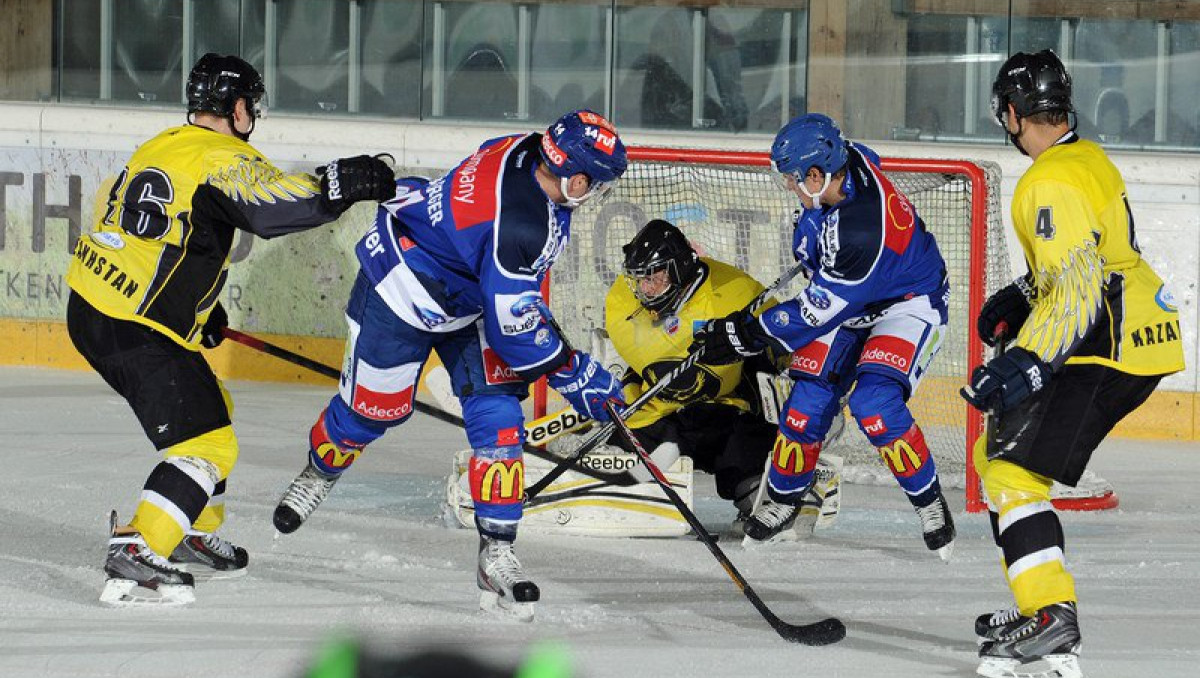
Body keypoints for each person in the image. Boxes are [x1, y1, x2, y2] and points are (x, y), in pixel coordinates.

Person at [64, 53, 395, 606]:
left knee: (214, 405)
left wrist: (196, 310)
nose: (253, 115)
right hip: (133, 325)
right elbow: (268, 208)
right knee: (210, 443)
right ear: (237, 107)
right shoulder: (221, 156)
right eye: (251, 105)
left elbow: (157, 231)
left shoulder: (165, 143)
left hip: (94, 305)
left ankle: (188, 530)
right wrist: (340, 187)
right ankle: (140, 544)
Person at [272, 109, 628, 621]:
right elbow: (514, 330)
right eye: (593, 181)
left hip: (473, 293)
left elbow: (508, 299)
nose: (595, 192)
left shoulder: (525, 147)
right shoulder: (521, 222)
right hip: (404, 287)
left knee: (500, 420)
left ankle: (496, 553)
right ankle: (318, 471)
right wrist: (576, 373)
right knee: (372, 414)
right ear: (572, 175)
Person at [962, 50, 1183, 678]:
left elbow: (1082, 284)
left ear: (1010, 112)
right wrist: (1028, 292)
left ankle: (1051, 618)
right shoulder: (1084, 157)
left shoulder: (1047, 181)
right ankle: (1041, 609)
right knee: (997, 460)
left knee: (1009, 472)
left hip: (1106, 340)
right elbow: (1094, 254)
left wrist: (1032, 359)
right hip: (1138, 330)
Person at [690, 113, 957, 559]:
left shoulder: (861, 229)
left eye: (795, 180)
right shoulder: (846, 163)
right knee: (804, 408)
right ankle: (783, 499)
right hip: (854, 296)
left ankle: (929, 501)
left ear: (816, 174)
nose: (792, 189)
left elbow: (814, 314)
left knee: (875, 405)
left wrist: (742, 334)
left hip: (906, 303)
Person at [603, 218, 838, 537]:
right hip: (660, 410)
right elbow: (625, 359)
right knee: (619, 446)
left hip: (725, 409)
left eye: (654, 278)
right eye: (639, 279)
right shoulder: (622, 299)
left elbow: (786, 349)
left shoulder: (735, 292)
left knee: (743, 469)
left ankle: (786, 491)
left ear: (679, 269)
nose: (644, 290)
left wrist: (819, 397)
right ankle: (631, 493)